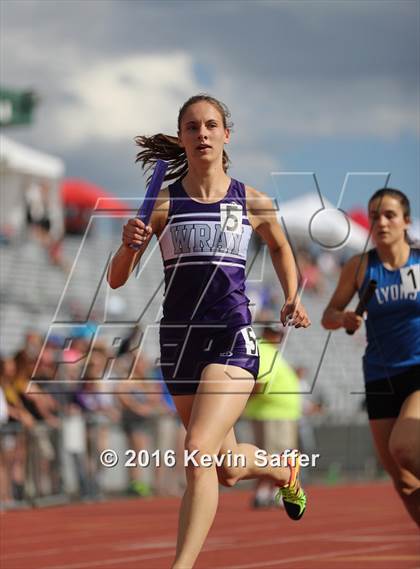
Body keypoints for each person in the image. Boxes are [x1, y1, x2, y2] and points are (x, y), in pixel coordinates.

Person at [108, 94, 311, 568]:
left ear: (226, 135)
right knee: (227, 467)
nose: (202, 133)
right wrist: (127, 246)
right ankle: (283, 470)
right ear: (182, 137)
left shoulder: (251, 200)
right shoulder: (162, 203)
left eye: (211, 125)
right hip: (179, 342)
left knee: (196, 451)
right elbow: (118, 277)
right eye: (192, 127)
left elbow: (281, 249)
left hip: (231, 338)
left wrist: (293, 296)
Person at [322, 188, 420, 527]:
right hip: (380, 375)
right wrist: (344, 318)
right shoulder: (361, 266)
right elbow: (329, 314)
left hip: (417, 369)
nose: (381, 222)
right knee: (404, 481)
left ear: (406, 221)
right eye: (375, 215)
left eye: (390, 215)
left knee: (406, 447)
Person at [243, 320, 301, 508]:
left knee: (274, 454)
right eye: (275, 333)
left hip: (278, 413)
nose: (278, 337)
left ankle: (269, 492)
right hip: (272, 414)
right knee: (273, 455)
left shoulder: (270, 351)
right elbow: (259, 383)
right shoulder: (265, 350)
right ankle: (267, 492)